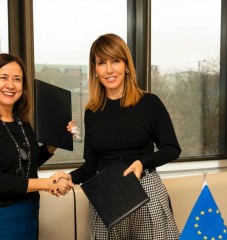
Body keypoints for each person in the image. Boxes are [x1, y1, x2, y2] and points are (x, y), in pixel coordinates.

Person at [54, 33, 182, 239]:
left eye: (115, 61)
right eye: (101, 62)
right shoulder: (92, 112)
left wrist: (142, 162)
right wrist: (70, 177)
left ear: (126, 66)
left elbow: (172, 149)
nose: (109, 69)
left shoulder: (149, 103)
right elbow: (91, 166)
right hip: (106, 199)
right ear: (95, 70)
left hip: (146, 192)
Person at [0, 53, 74, 240]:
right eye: (3, 77)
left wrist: (55, 143)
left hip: (29, 211)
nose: (11, 85)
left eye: (17, 79)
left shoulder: (22, 122)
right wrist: (48, 183)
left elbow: (28, 163)